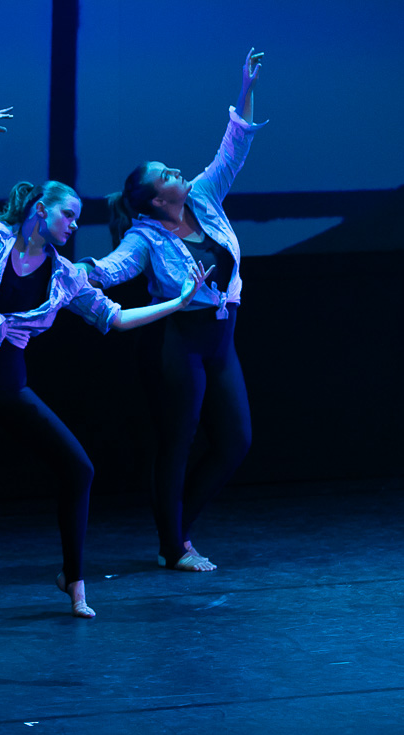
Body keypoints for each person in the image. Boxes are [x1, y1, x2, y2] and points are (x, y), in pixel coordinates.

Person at [0, 109, 213, 624]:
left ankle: (74, 582)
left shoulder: (65, 276)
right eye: (68, 215)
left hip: (8, 382)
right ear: (41, 211)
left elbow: (115, 318)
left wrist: (177, 303)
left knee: (79, 467)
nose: (74, 225)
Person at [86, 49, 267, 572]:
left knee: (235, 441)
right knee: (178, 442)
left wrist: (244, 91)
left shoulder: (203, 197)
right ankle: (174, 545)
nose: (177, 171)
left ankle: (177, 526)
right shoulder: (144, 237)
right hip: (179, 343)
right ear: (156, 199)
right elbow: (113, 269)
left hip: (221, 337)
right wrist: (71, 270)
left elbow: (233, 149)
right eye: (166, 173)